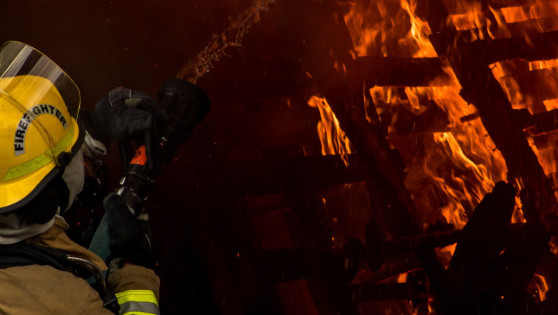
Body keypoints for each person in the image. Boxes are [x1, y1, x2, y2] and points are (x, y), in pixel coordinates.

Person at [0, 41, 210, 314]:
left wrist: (92, 128)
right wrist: (132, 268)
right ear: (42, 198)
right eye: (72, 154)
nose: (82, 161)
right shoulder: (68, 304)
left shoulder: (13, 218)